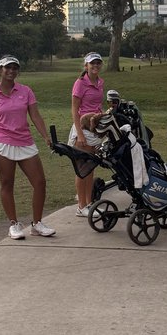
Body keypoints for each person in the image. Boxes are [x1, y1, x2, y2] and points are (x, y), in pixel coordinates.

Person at [0, 55, 56, 240]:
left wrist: (45, 136)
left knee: (40, 182)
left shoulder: (25, 91)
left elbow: (35, 116)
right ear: (0, 70)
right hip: (1, 144)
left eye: (15, 68)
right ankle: (13, 224)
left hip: (25, 142)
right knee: (7, 184)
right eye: (8, 68)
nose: (11, 71)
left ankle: (37, 223)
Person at [70, 52, 105, 216]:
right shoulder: (80, 83)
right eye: (92, 64)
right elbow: (75, 110)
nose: (95, 66)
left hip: (94, 130)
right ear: (86, 66)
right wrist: (80, 134)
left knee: (91, 169)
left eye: (98, 63)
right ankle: (81, 206)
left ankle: (90, 203)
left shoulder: (100, 82)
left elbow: (98, 105)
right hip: (82, 129)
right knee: (82, 170)